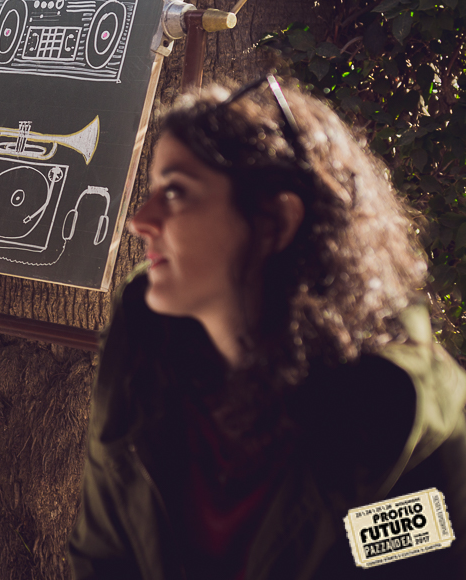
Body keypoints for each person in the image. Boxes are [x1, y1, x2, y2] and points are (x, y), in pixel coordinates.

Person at [69, 76, 466, 579]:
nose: (141, 219)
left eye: (176, 192)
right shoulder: (144, 334)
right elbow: (102, 554)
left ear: (274, 221)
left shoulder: (401, 411)